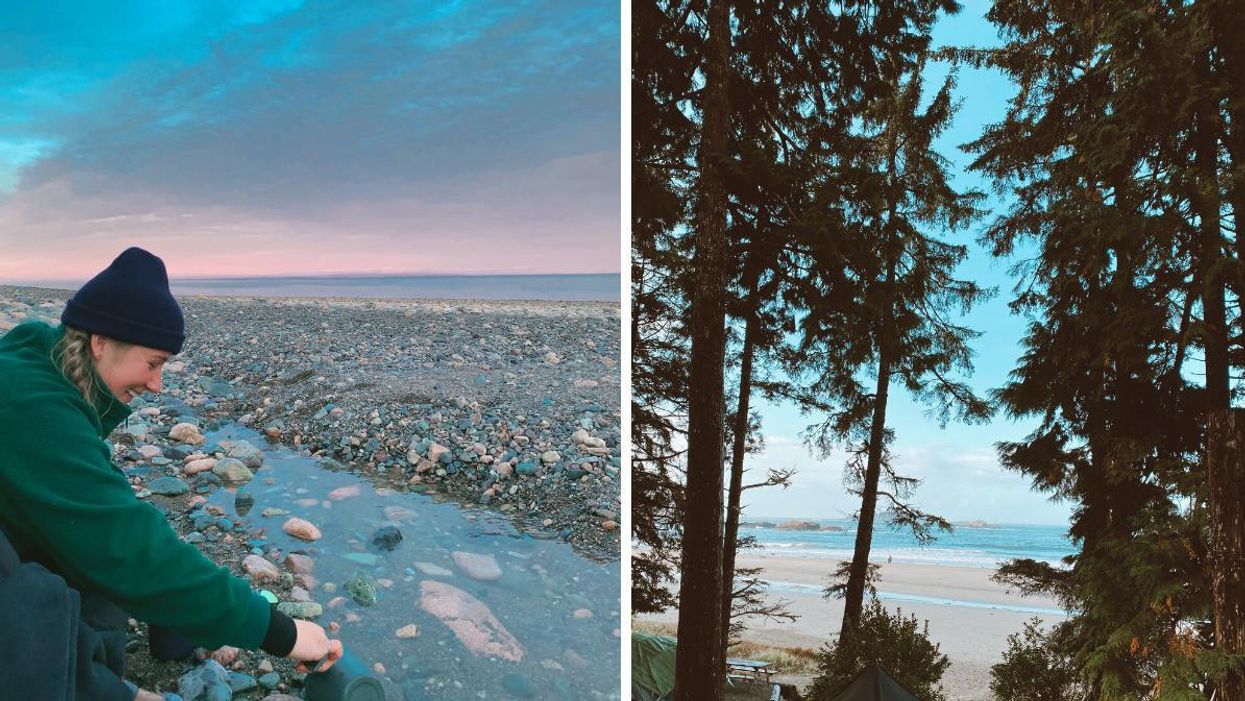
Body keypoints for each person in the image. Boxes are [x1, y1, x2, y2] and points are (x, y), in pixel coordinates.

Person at [0, 247, 342, 700]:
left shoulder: (44, 369)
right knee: (33, 602)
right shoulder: (31, 406)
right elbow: (127, 550)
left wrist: (187, 604)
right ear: (100, 341)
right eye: (154, 363)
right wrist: (282, 633)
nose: (157, 384)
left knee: (88, 574)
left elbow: (99, 521)